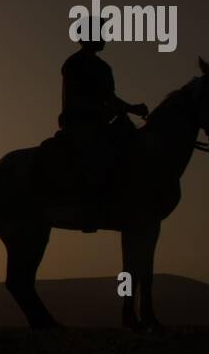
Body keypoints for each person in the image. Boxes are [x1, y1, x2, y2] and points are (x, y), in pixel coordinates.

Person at [57, 22, 148, 231]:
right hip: (80, 123)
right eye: (101, 33)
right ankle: (89, 209)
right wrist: (101, 111)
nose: (105, 37)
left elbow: (111, 98)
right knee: (98, 154)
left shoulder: (103, 67)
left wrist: (132, 108)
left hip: (100, 123)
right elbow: (75, 98)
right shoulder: (74, 64)